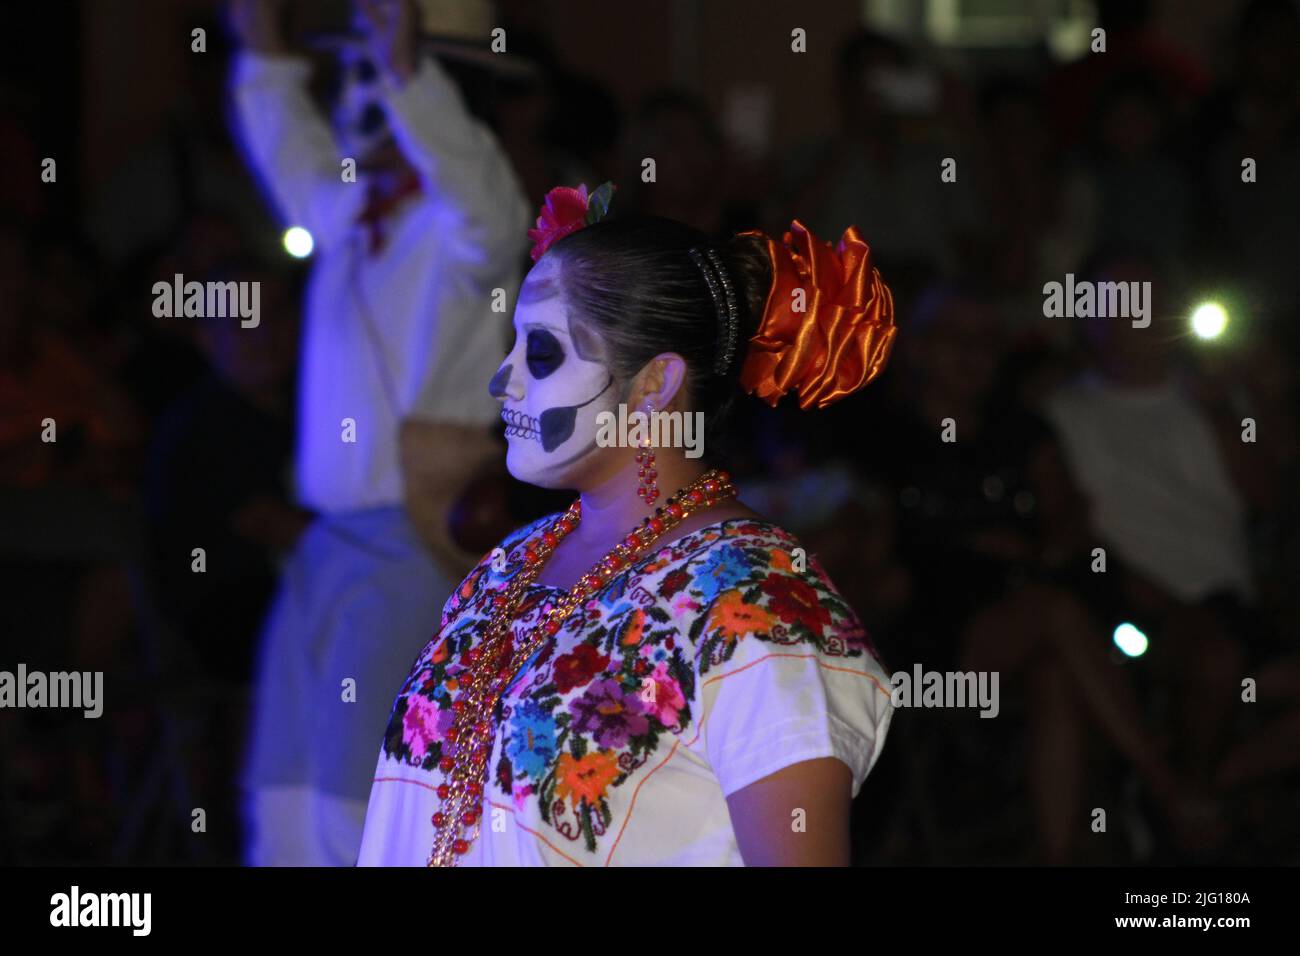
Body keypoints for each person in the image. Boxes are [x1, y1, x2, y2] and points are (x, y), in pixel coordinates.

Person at [356, 183, 898, 866]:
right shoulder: (507, 566)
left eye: (542, 352)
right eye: (514, 346)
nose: (505, 380)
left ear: (653, 385)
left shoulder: (760, 603)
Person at [227, 0, 530, 865]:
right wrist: (260, 48)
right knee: (281, 790)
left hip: (413, 536)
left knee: (353, 796)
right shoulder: (353, 214)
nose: (357, 96)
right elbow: (294, 155)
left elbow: (482, 201)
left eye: (381, 75)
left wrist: (407, 73)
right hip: (329, 541)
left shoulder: (469, 228)